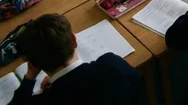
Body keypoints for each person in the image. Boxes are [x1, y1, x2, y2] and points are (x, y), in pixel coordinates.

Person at [12, 13, 143, 104]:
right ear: (74, 40)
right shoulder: (112, 65)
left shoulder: (46, 100)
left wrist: (29, 77)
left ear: (34, 64)